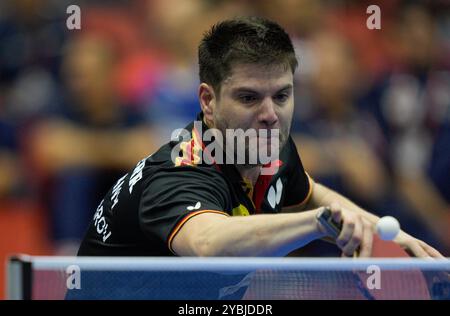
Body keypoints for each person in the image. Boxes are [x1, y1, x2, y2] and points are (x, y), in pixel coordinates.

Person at [77, 17, 443, 259]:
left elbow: (310, 190)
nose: (270, 115)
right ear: (208, 100)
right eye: (249, 98)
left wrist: (385, 232)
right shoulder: (181, 171)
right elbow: (209, 242)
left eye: (282, 96)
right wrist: (318, 222)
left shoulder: (269, 145)